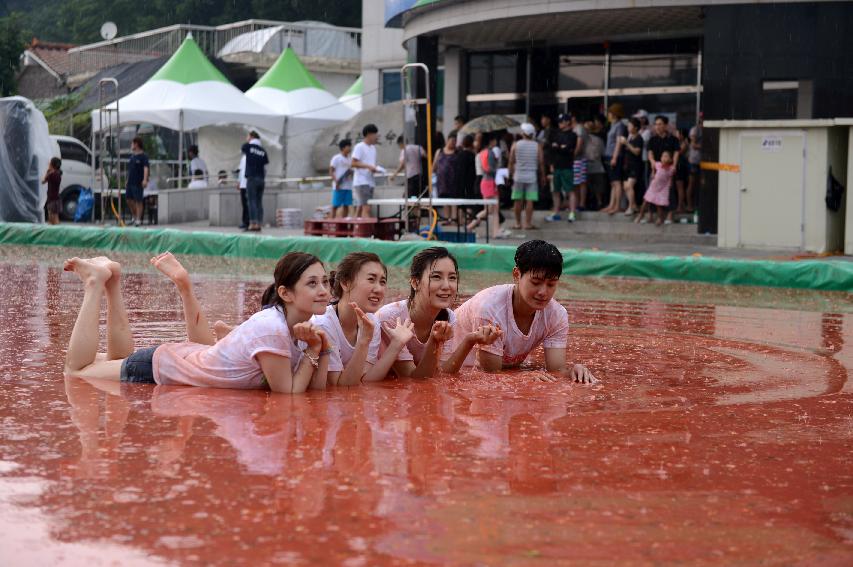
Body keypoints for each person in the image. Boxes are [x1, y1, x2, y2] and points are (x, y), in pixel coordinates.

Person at [62, 252, 331, 394]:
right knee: (76, 371)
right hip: (161, 368)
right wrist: (313, 349)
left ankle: (113, 281)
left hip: (174, 360)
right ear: (285, 293)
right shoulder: (273, 329)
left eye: (325, 281)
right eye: (312, 283)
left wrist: (320, 348)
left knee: (114, 358)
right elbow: (290, 393)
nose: (323, 290)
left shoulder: (292, 326)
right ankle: (95, 283)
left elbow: (315, 388)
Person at [453, 240, 596, 383]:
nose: (543, 292)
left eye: (551, 284)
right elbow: (489, 375)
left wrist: (573, 371)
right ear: (516, 274)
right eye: (535, 282)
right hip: (452, 368)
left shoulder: (556, 315)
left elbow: (556, 370)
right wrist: (520, 377)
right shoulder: (489, 308)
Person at [376, 247, 502, 379]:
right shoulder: (391, 319)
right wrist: (434, 341)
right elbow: (412, 381)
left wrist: (470, 340)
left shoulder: (448, 316)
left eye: (452, 278)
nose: (446, 286)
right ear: (415, 282)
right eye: (436, 277)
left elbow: (441, 373)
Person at [315, 252, 414, 386]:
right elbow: (340, 387)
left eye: (382, 282)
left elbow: (364, 379)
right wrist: (363, 342)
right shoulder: (324, 324)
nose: (379, 289)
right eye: (371, 279)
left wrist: (396, 345)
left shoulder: (371, 321)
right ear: (345, 283)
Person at [468, 134, 507, 238]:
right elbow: (489, 169)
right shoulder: (489, 153)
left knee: (489, 209)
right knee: (494, 209)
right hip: (490, 182)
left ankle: (471, 226)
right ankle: (495, 232)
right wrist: (499, 168)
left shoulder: (481, 153)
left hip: (484, 182)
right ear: (491, 141)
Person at [509, 123, 544, 230]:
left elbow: (511, 161)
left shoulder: (515, 144)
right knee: (530, 201)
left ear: (523, 133)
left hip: (518, 176)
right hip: (532, 176)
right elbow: (541, 162)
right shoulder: (537, 145)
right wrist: (542, 176)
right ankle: (528, 223)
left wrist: (510, 174)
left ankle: (518, 223)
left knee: (518, 200)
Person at [646, 115, 680, 224]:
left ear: (666, 125)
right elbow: (650, 153)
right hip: (656, 169)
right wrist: (652, 162)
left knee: (669, 190)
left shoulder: (673, 139)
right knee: (653, 190)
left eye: (660, 124)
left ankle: (670, 214)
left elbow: (676, 152)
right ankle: (655, 215)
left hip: (668, 169)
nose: (657, 126)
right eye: (656, 124)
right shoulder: (652, 139)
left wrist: (674, 165)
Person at [545, 114, 578, 223]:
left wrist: (559, 147)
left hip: (567, 166)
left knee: (570, 190)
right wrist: (560, 147)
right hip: (557, 165)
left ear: (567, 122)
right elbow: (552, 148)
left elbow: (569, 148)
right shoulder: (556, 134)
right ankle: (556, 212)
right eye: (559, 122)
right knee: (556, 190)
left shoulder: (573, 135)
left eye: (562, 122)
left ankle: (572, 213)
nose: (559, 124)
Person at [351, 124, 384, 219]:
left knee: (361, 207)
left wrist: (375, 169)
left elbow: (370, 165)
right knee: (367, 208)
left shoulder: (373, 148)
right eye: (375, 134)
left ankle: (355, 229)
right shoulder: (359, 147)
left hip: (370, 181)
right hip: (362, 182)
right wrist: (369, 166)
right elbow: (353, 163)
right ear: (369, 135)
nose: (377, 137)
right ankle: (367, 232)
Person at [635, 150, 674, 226]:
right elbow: (652, 160)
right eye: (662, 156)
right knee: (645, 202)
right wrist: (650, 155)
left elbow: (670, 176)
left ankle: (660, 218)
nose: (663, 158)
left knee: (658, 204)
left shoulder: (671, 169)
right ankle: (640, 215)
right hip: (653, 187)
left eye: (666, 156)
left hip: (662, 189)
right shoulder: (658, 165)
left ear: (670, 159)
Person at [601, 104, 627, 215]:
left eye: (610, 113)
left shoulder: (620, 125)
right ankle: (611, 205)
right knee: (613, 183)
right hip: (608, 155)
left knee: (617, 182)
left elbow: (618, 142)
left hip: (614, 156)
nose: (608, 115)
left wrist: (615, 157)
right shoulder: (613, 125)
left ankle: (617, 206)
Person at [241, 131, 269, 232]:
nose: (246, 138)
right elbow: (265, 164)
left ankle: (253, 223)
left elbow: (243, 149)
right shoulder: (263, 150)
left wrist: (249, 143)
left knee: (251, 201)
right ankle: (259, 223)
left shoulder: (248, 146)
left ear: (251, 137)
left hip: (252, 177)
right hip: (261, 178)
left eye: (247, 136)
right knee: (259, 201)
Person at [618, 117, 644, 215]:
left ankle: (631, 207)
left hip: (635, 165)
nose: (628, 127)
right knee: (625, 187)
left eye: (630, 125)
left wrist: (626, 143)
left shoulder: (639, 138)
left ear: (636, 128)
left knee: (629, 186)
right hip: (627, 165)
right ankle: (634, 205)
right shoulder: (629, 137)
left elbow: (637, 152)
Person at [433, 133, 460, 225]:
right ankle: (447, 219)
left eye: (455, 142)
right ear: (447, 140)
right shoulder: (439, 151)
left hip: (454, 180)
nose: (453, 143)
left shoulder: (457, 152)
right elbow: (435, 165)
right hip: (442, 180)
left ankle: (454, 219)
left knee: (453, 200)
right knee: (445, 200)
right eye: (452, 141)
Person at [583, 118, 606, 210]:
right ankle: (598, 202)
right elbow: (603, 152)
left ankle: (588, 203)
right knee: (597, 187)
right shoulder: (599, 140)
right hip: (597, 165)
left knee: (589, 186)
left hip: (589, 166)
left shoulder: (582, 140)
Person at [126, 137, 149, 227]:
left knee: (138, 201)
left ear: (136, 144)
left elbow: (146, 168)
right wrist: (127, 179)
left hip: (138, 182)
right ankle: (134, 216)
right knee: (129, 200)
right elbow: (130, 170)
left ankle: (138, 219)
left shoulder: (143, 157)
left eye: (132, 144)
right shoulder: (132, 156)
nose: (131, 146)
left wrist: (145, 179)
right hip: (130, 181)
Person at [329, 139, 354, 219]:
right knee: (335, 205)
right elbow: (331, 171)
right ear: (343, 148)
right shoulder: (336, 158)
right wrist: (336, 182)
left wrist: (351, 173)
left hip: (348, 186)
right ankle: (331, 222)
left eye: (350, 146)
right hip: (339, 186)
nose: (350, 148)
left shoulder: (350, 159)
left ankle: (343, 223)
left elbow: (351, 171)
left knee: (346, 205)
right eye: (348, 146)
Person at [571, 114, 589, 210]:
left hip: (580, 159)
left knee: (581, 182)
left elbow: (579, 145)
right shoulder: (575, 128)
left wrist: (572, 155)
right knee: (576, 182)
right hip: (576, 159)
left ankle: (582, 204)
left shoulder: (579, 128)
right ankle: (577, 203)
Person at [687, 114, 702, 213]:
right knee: (691, 184)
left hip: (703, 160)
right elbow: (693, 145)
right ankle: (689, 206)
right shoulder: (695, 129)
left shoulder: (707, 128)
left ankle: (700, 204)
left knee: (702, 184)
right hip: (694, 160)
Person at [43, 157, 62, 225]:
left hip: (51, 199)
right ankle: (56, 231)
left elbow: (43, 181)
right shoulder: (58, 173)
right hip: (57, 198)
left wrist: (47, 171)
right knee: (55, 216)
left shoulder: (51, 174)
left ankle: (55, 232)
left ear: (51, 164)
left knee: (51, 217)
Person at [237, 156, 249, 230]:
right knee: (244, 204)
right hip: (243, 184)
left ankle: (247, 222)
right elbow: (241, 171)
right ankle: (245, 221)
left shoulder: (248, 157)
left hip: (249, 184)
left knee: (247, 205)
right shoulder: (243, 158)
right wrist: (239, 182)